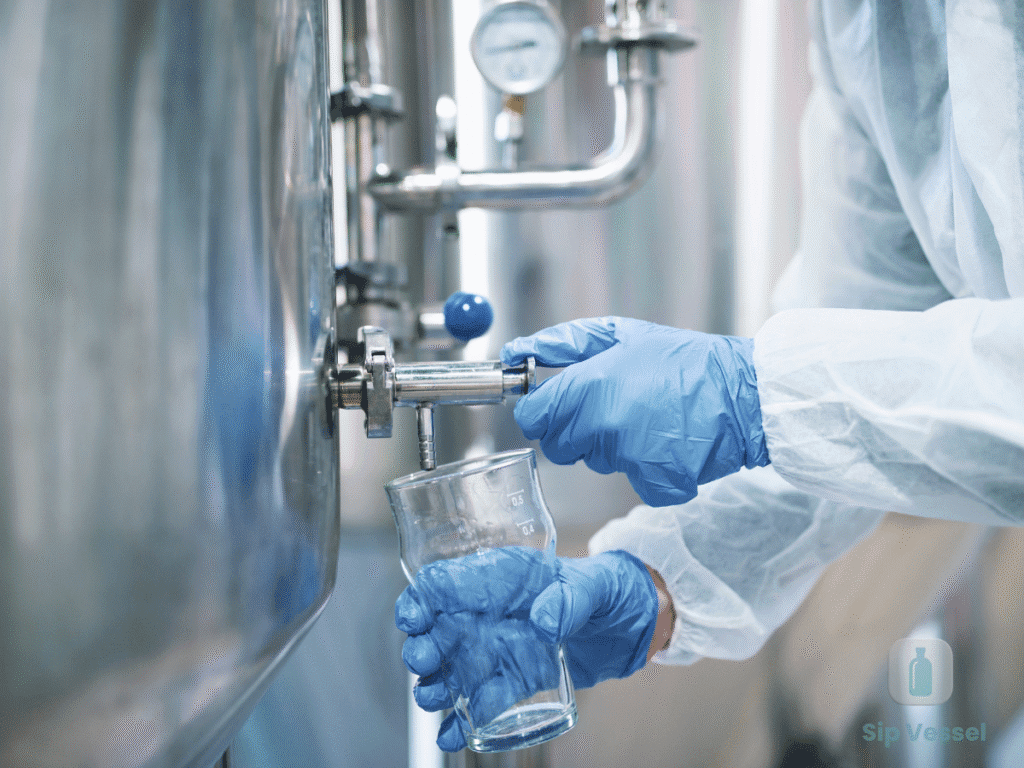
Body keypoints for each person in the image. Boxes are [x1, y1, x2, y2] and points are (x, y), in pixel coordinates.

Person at [396, 0, 1024, 751]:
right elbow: (862, 348)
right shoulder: (867, 22)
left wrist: (752, 395)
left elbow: (807, 399)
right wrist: (656, 582)